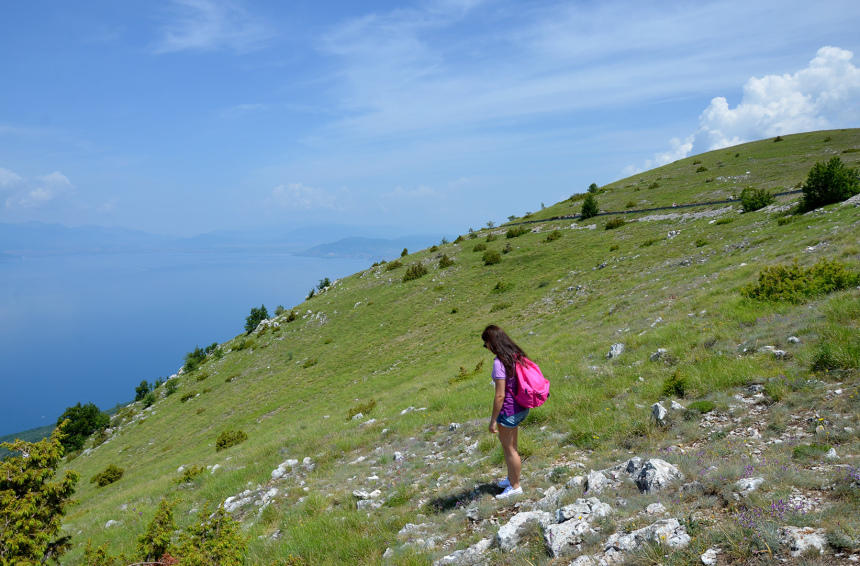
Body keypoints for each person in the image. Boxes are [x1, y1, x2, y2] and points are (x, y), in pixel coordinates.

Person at [482, 324, 530, 499]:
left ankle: (515, 487)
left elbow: (500, 395)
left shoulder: (499, 361)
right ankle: (511, 478)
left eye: (485, 344)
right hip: (522, 407)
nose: (485, 347)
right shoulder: (516, 355)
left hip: (509, 411)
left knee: (510, 450)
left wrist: (493, 420)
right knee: (513, 448)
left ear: (492, 343)